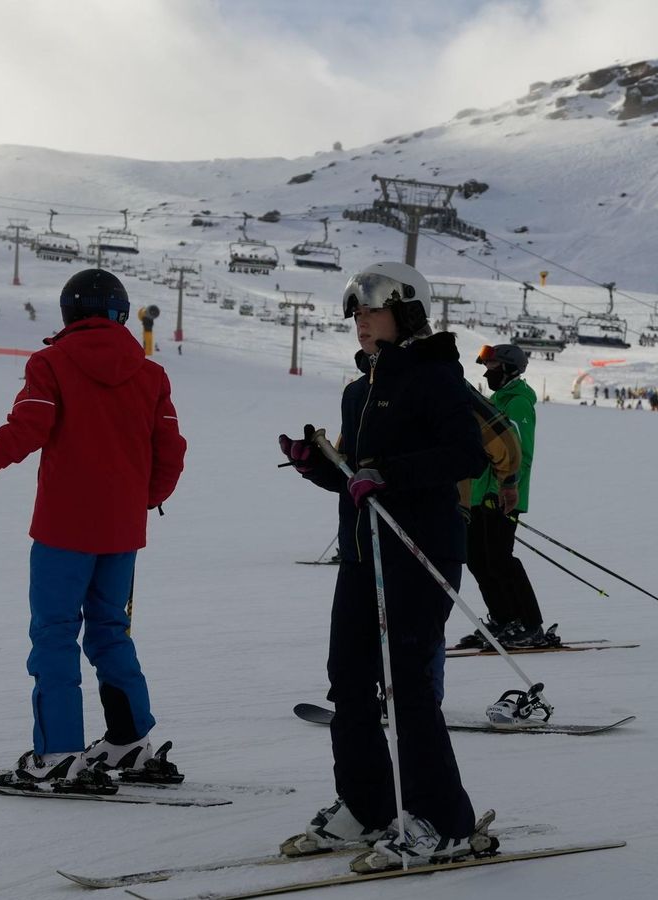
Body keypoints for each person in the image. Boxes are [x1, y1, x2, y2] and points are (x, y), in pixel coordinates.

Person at [0, 268, 186, 789]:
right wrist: (145, 500)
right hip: (121, 532)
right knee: (109, 630)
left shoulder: (51, 362)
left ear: (69, 314)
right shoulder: (151, 375)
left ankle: (58, 753)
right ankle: (129, 742)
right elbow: (171, 450)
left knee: (54, 633)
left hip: (64, 528)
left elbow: (28, 429)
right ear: (121, 314)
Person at [278, 261, 486, 867]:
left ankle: (443, 819)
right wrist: (319, 466)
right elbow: (356, 479)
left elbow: (465, 455)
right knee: (348, 678)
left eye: (371, 311)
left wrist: (389, 475)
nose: (360, 323)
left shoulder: (436, 378)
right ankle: (368, 807)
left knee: (409, 688)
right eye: (356, 314)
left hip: (420, 551)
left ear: (407, 312)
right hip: (364, 555)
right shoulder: (358, 391)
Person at [456, 344, 553, 650]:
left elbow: (520, 454)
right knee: (477, 560)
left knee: (500, 560)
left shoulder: (519, 404)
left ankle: (530, 625)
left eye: (493, 367)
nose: (487, 373)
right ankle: (504, 620)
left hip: (502, 496)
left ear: (510, 369)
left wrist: (504, 488)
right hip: (480, 495)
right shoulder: (496, 401)